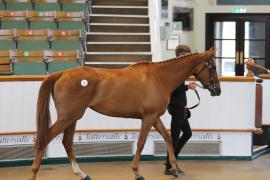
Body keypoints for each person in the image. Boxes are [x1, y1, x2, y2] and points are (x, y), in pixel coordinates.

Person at [164, 44, 196, 175]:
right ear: (179, 55)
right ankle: (169, 166)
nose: (188, 57)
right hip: (175, 107)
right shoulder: (174, 69)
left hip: (180, 107)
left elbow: (179, 90)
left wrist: (184, 105)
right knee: (174, 137)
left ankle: (173, 161)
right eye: (186, 55)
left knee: (187, 133)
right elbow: (172, 88)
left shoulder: (180, 69)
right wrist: (188, 87)